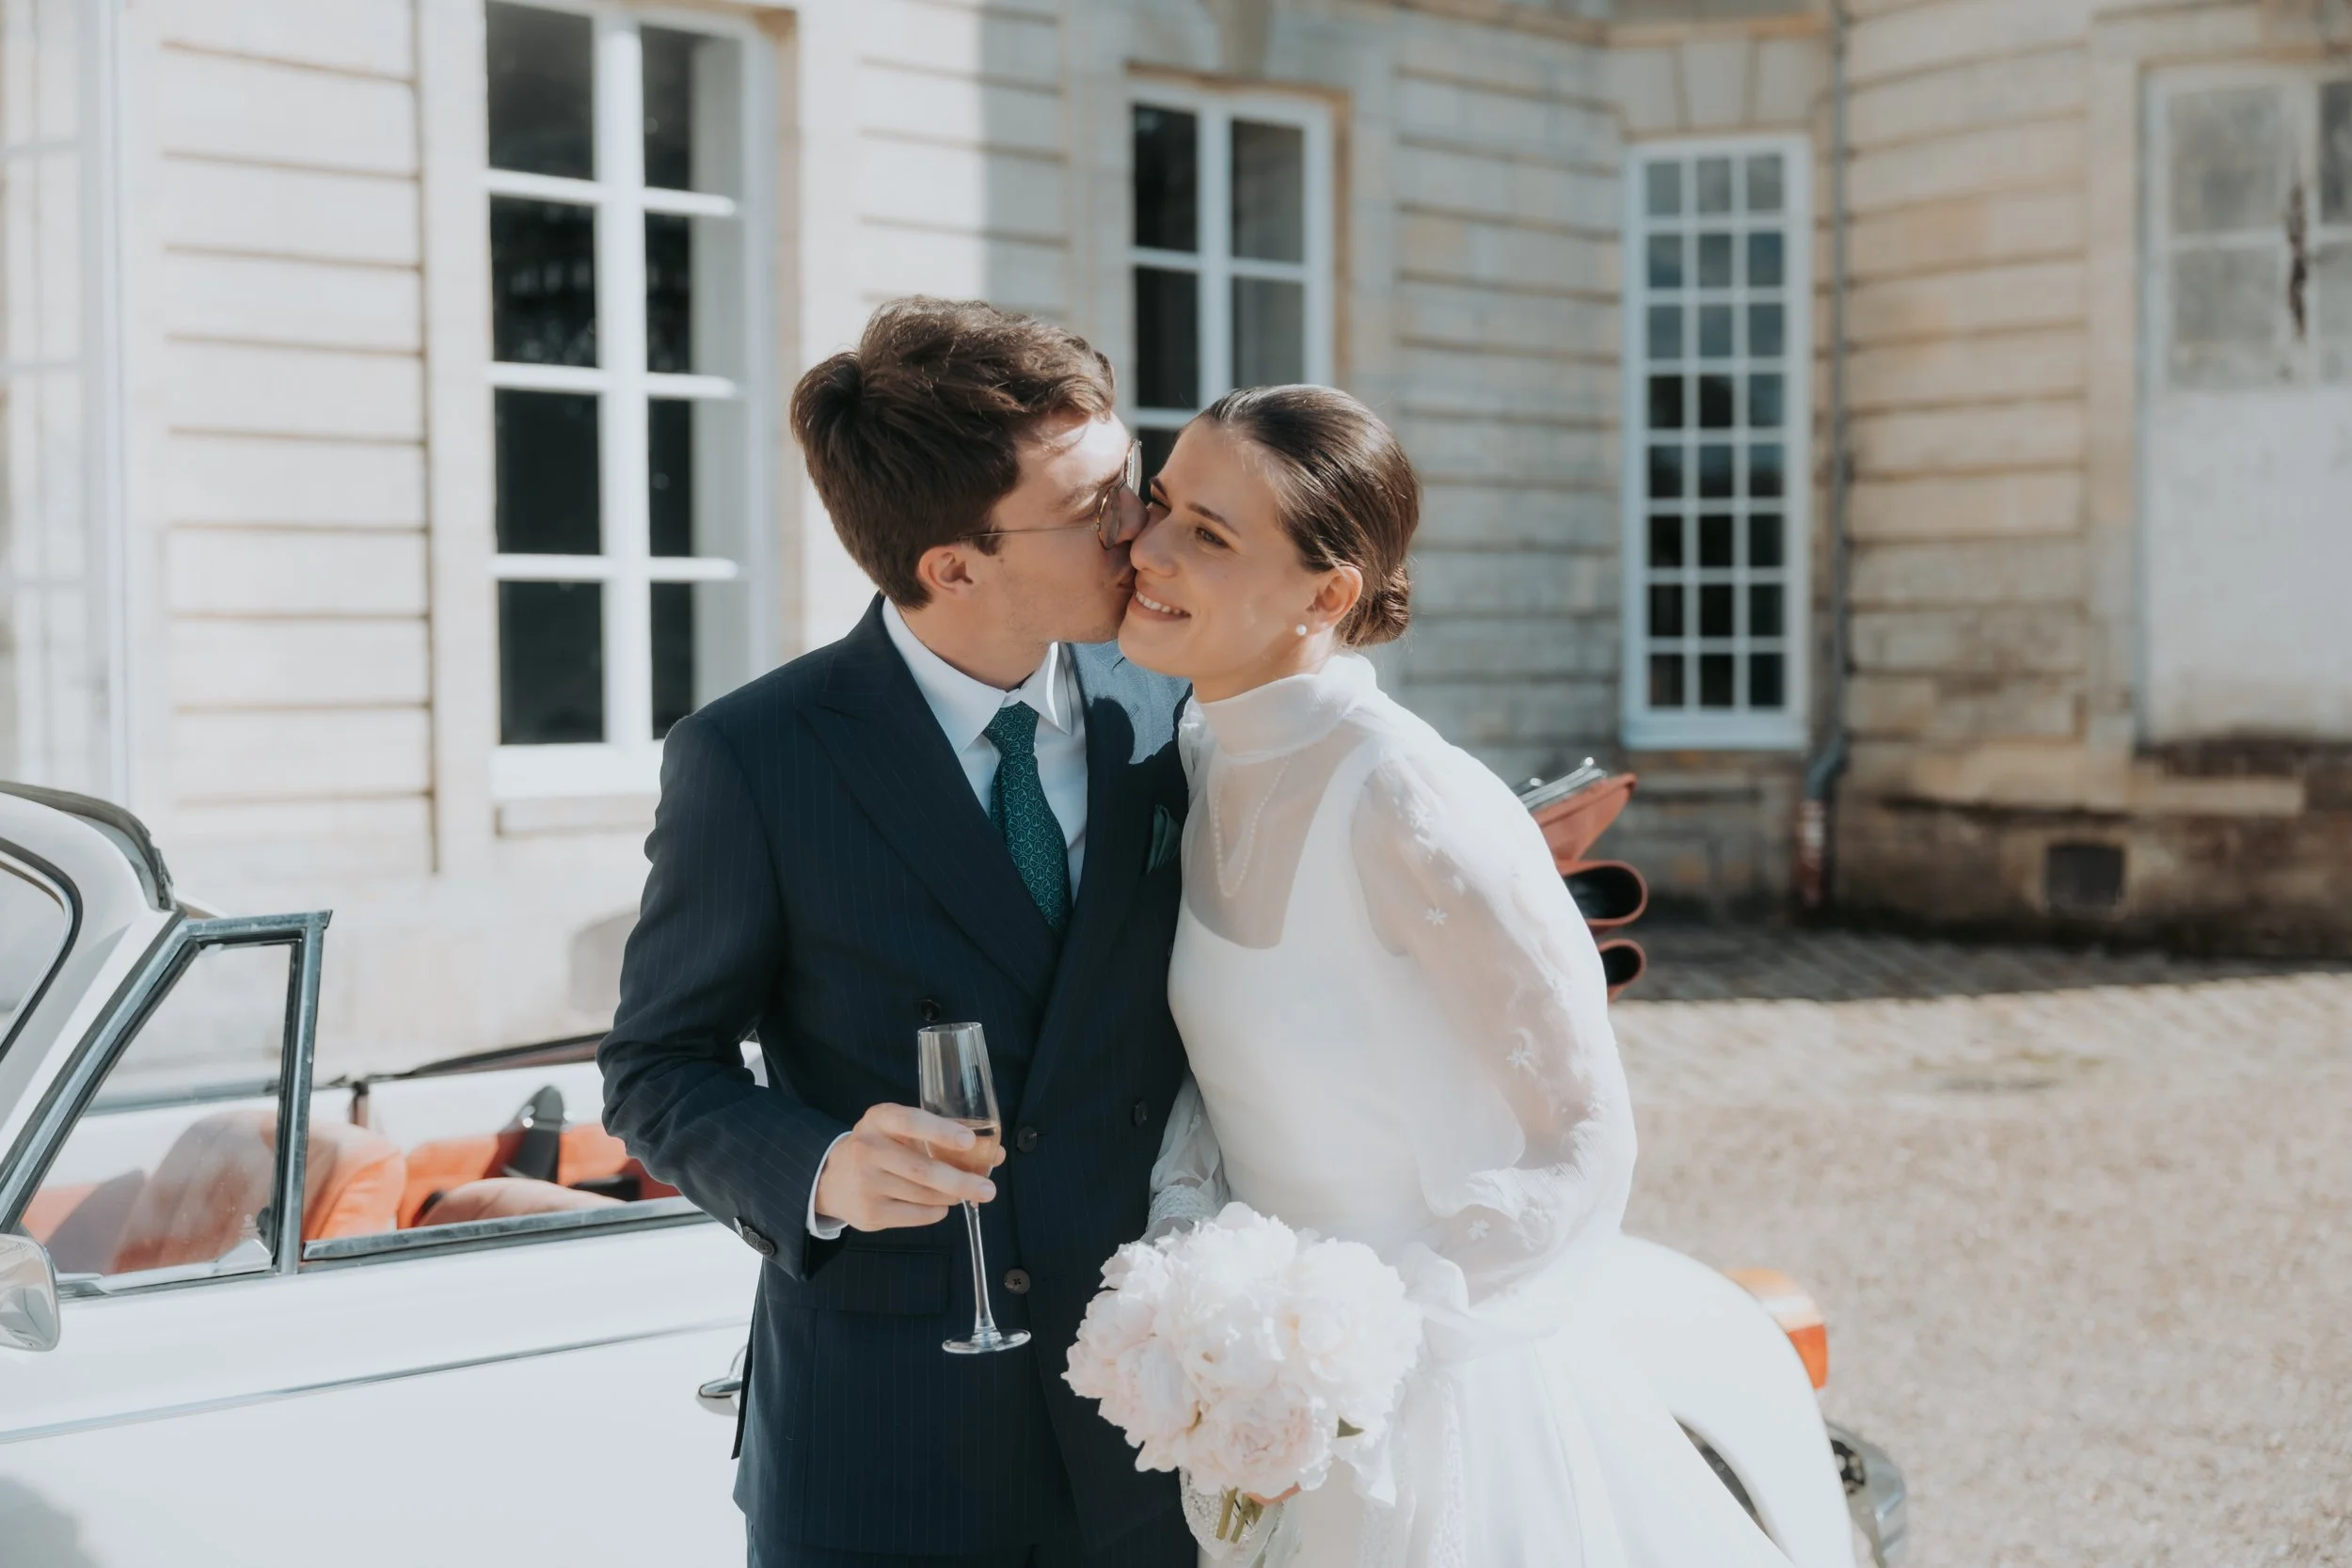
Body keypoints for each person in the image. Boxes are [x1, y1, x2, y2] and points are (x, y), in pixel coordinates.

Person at [1126, 385, 1792, 1567]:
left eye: (1209, 535)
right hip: (1263, 1420)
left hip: (1433, 1409)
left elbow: (1581, 1135)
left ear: (1325, 595)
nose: (1148, 545)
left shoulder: (1406, 799)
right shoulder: (1192, 757)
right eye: (1161, 502)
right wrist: (1194, 1271)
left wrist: (1365, 1344)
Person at [600, 298, 1195, 1568]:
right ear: (954, 564)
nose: (1138, 523)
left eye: (1129, 477)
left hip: (1150, 1430)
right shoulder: (755, 758)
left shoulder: (1178, 702)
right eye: (1093, 506)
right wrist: (821, 1166)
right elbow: (657, 1068)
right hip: (887, 1444)